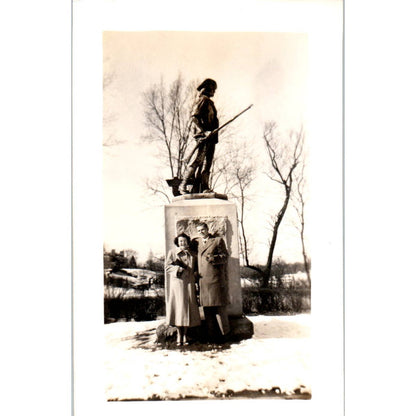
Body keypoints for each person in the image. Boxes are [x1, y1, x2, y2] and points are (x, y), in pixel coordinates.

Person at [179, 78, 219, 195]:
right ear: (208, 89)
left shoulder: (210, 103)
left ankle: (205, 187)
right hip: (204, 137)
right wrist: (203, 132)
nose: (214, 92)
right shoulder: (204, 100)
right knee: (197, 161)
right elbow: (194, 118)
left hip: (212, 138)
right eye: (213, 89)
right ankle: (183, 185)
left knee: (208, 164)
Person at [193, 222, 230, 342]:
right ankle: (212, 337)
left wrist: (214, 258)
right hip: (203, 281)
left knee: (219, 310)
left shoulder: (217, 240)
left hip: (215, 280)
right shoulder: (196, 243)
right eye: (198, 230)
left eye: (203, 229)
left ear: (207, 229)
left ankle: (224, 336)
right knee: (207, 311)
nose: (201, 232)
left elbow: (225, 256)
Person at [165, 233, 201, 346]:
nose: (182, 243)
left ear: (188, 242)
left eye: (184, 241)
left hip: (189, 284)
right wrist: (178, 269)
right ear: (177, 242)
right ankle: (179, 335)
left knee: (188, 309)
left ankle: (185, 334)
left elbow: (196, 269)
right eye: (180, 241)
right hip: (178, 284)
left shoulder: (193, 254)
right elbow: (167, 267)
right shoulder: (172, 253)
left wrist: (196, 280)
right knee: (179, 309)